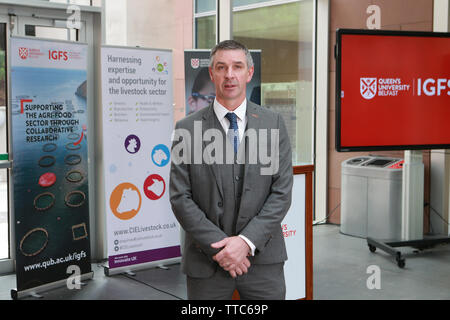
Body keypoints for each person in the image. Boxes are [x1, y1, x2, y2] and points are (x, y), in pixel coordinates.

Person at [170, 40, 293, 300]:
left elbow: (281, 192)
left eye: (237, 67)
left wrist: (244, 243)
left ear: (249, 73)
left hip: (263, 260)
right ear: (211, 73)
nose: (229, 75)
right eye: (221, 67)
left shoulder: (274, 123)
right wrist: (222, 249)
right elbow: (181, 198)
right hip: (206, 262)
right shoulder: (187, 129)